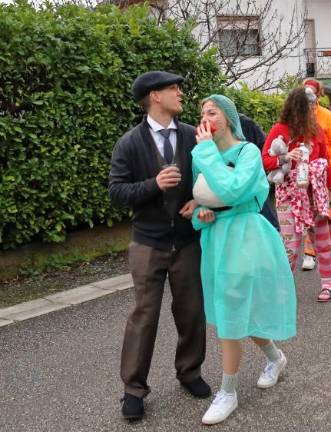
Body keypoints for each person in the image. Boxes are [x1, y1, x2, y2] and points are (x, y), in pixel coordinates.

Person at [109, 71, 209, 420]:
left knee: (192, 310)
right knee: (144, 316)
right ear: (155, 96)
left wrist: (200, 202)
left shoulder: (192, 136)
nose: (180, 93)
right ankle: (133, 390)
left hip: (187, 240)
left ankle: (190, 372)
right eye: (173, 88)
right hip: (148, 243)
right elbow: (116, 192)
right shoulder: (129, 143)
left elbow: (210, 177)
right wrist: (153, 183)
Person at [190, 95, 296, 425]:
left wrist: (206, 153)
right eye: (202, 112)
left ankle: (228, 391)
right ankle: (276, 358)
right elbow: (202, 201)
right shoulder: (203, 156)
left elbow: (234, 190)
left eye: (212, 111)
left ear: (229, 117)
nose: (206, 117)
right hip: (216, 241)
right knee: (237, 311)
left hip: (247, 238)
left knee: (231, 312)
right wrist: (201, 215)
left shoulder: (247, 152)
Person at [262, 88, 331, 301]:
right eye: (310, 106)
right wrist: (285, 157)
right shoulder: (279, 130)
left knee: (321, 241)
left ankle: (327, 285)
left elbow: (325, 163)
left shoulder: (316, 130)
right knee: (290, 246)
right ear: (298, 108)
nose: (314, 110)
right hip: (288, 194)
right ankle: (283, 289)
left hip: (315, 193)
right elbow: (265, 161)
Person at [301, 79, 331, 271]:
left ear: (319, 95)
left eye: (312, 92)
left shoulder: (328, 117)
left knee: (316, 210)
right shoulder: (299, 117)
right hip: (304, 173)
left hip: (323, 171)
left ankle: (309, 253)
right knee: (319, 210)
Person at [239, 112, 279, 229]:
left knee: (266, 219)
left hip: (255, 181)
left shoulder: (244, 122)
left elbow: (265, 147)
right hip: (238, 185)